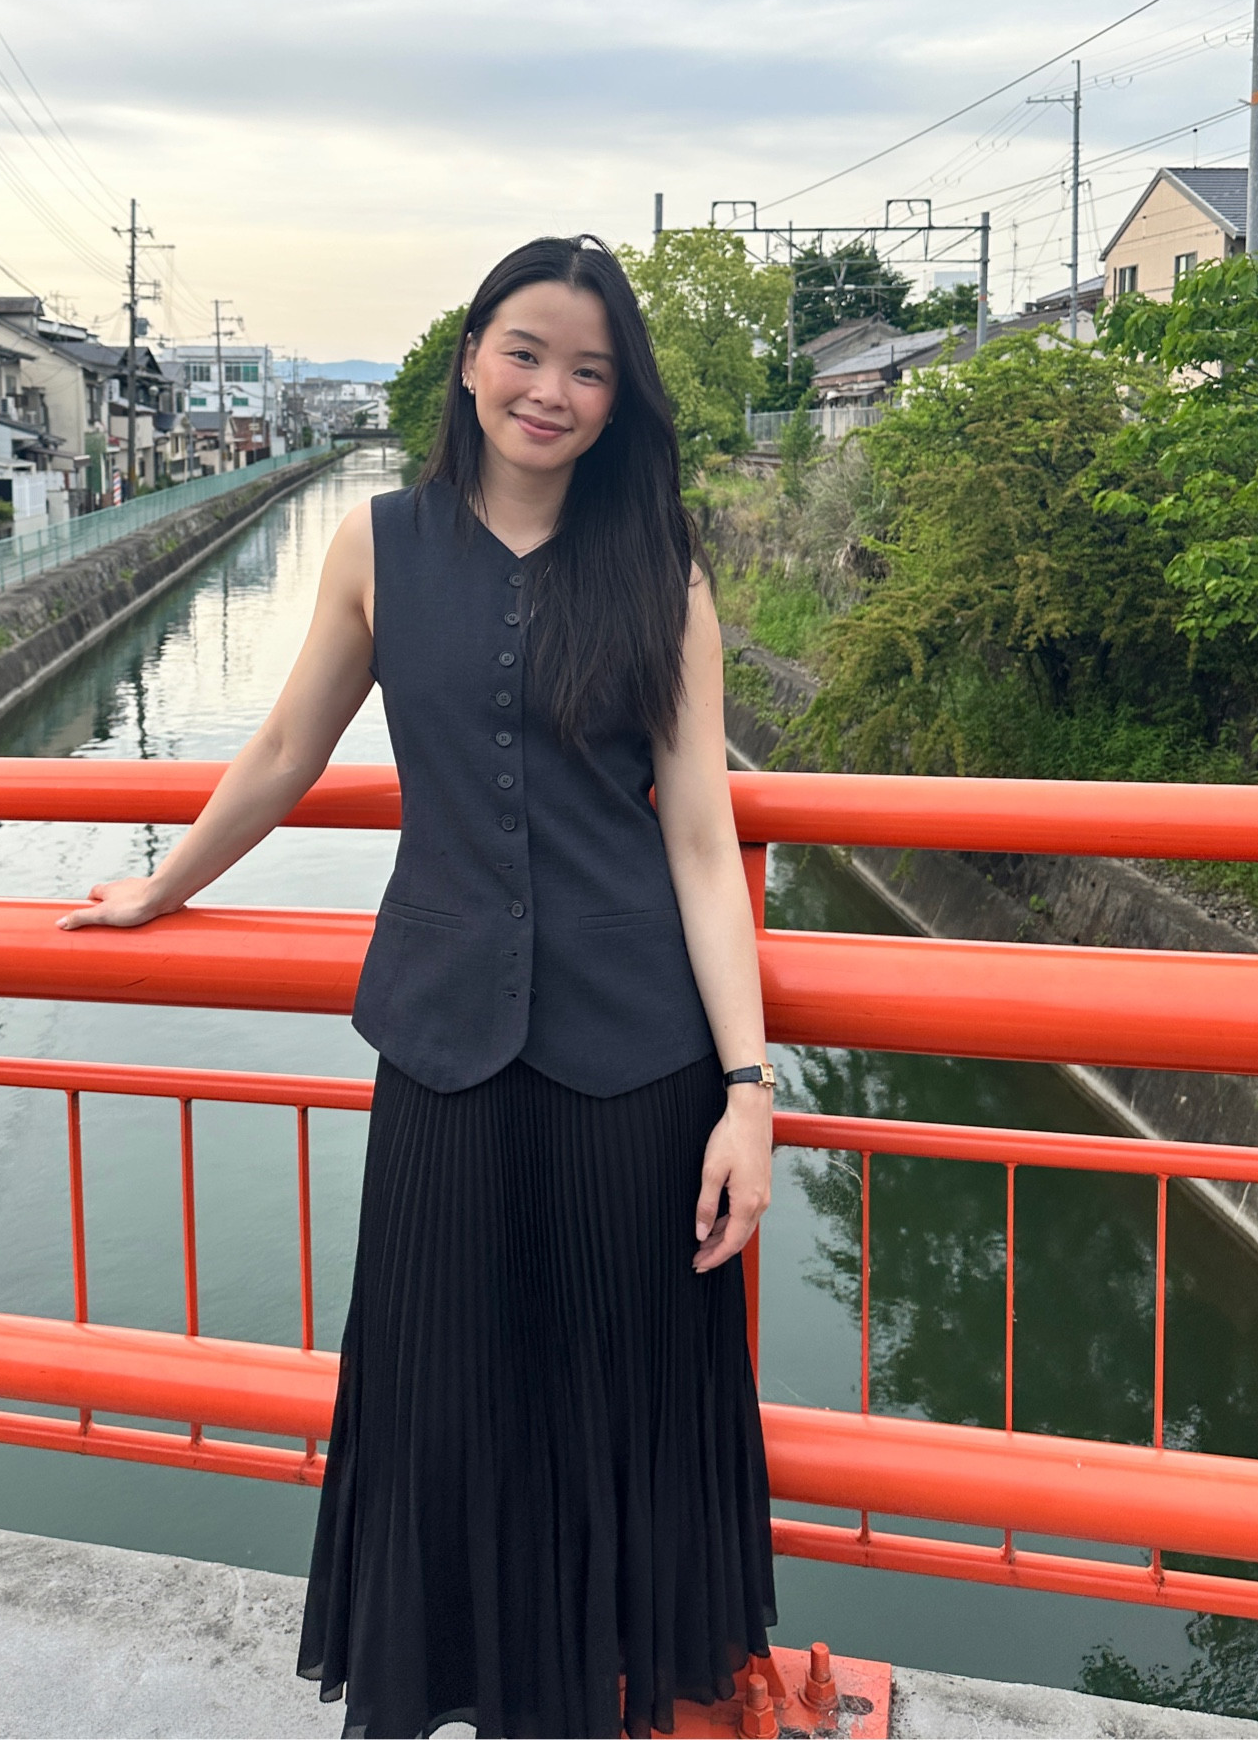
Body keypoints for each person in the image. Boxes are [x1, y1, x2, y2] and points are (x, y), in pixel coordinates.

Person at [59, 234, 778, 1738]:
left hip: (637, 1062)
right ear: (469, 357)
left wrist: (748, 1092)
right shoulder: (380, 543)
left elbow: (704, 845)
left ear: (618, 396)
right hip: (444, 1050)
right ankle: (461, 1688)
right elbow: (281, 757)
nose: (553, 391)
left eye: (590, 369)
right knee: (445, 1392)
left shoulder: (662, 566)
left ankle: (601, 1699)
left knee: (609, 1397)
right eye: (526, 352)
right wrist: (162, 885)